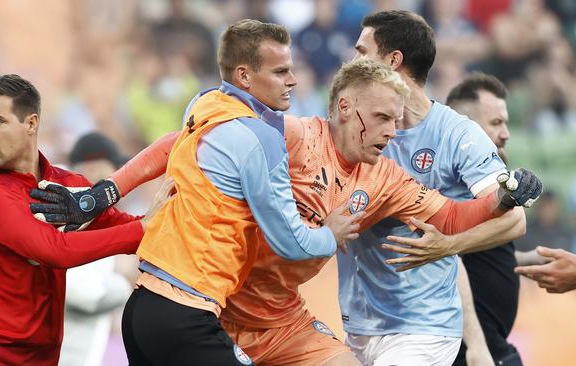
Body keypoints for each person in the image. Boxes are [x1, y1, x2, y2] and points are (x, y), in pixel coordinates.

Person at [34, 57, 541, 366]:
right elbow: (184, 139)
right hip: (217, 309)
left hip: (283, 319)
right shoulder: (292, 136)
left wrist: (505, 195)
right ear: (345, 108)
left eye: (398, 119)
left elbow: (452, 218)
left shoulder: (386, 178)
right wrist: (104, 193)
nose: (393, 131)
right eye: (383, 117)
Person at [337, 10, 535, 366]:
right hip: (359, 323)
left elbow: (514, 221)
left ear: (392, 60)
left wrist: (449, 246)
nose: (353, 61)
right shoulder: (354, 127)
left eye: (362, 51)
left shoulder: (457, 134)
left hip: (424, 327)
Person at [0, 74, 171, 366]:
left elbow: (126, 226)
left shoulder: (66, 183)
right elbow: (56, 250)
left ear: (31, 124)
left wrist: (162, 218)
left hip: (42, 357)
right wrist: (142, 229)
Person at [445, 72, 524, 366]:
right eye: (495, 123)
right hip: (471, 352)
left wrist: (526, 261)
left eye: (505, 122)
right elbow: (448, 258)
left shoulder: (485, 182)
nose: (506, 133)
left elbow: (482, 252)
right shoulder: (449, 184)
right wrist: (476, 346)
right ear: (464, 127)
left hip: (495, 348)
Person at [58, 132, 133, 366]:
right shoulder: (69, 215)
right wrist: (123, 282)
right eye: (114, 173)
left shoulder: (94, 217)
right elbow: (85, 294)